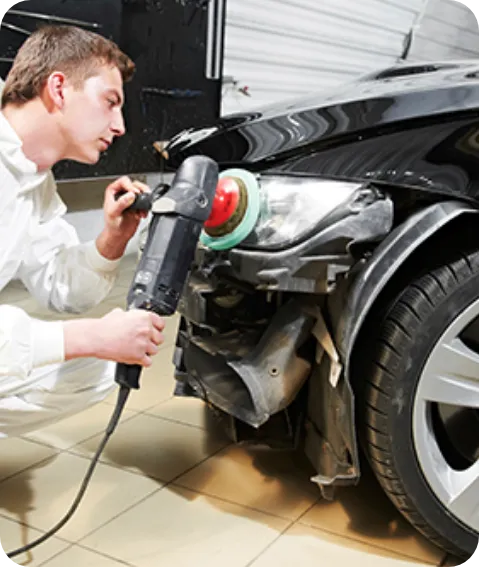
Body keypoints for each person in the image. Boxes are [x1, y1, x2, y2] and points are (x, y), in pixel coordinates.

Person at [0, 25, 165, 438]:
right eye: (110, 102)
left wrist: (112, 239)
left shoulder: (34, 181)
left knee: (95, 367)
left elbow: (59, 287)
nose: (120, 125)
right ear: (58, 89)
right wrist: (91, 334)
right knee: (88, 343)